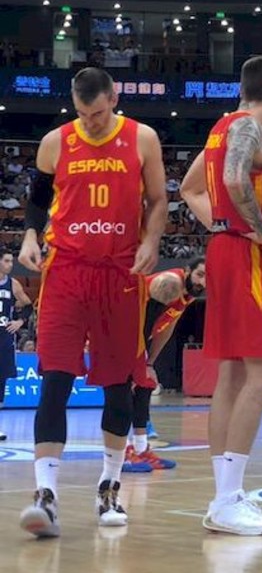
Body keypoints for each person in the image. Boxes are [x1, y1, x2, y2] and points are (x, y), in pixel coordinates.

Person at [17, 67, 168, 537]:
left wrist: (152, 241)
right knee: (55, 379)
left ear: (114, 98)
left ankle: (110, 487)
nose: (92, 121)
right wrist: (27, 234)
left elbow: (159, 200)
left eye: (98, 113)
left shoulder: (142, 138)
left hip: (121, 274)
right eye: (83, 114)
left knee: (118, 386)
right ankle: (46, 494)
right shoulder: (55, 141)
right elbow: (39, 198)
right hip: (66, 271)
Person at [180, 56, 262, 536]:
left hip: (222, 249)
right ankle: (226, 499)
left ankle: (227, 497)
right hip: (244, 256)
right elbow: (232, 180)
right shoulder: (247, 130)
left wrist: (219, 223)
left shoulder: (219, 128)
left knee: (231, 374)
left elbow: (188, 187)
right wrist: (261, 231)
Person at [122, 260, 207, 473]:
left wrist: (149, 362)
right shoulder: (169, 283)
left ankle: (141, 450)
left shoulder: (187, 294)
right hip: (122, 334)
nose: (203, 282)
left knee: (145, 385)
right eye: (200, 274)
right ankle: (122, 453)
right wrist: (137, 360)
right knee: (121, 391)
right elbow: (142, 319)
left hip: (139, 338)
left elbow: (166, 327)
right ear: (187, 271)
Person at [0, 251, 34, 442]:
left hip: (3, 339)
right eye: (6, 261)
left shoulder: (13, 284)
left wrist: (20, 322)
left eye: (11, 261)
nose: (10, 264)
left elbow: (28, 306)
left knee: (1, 381)